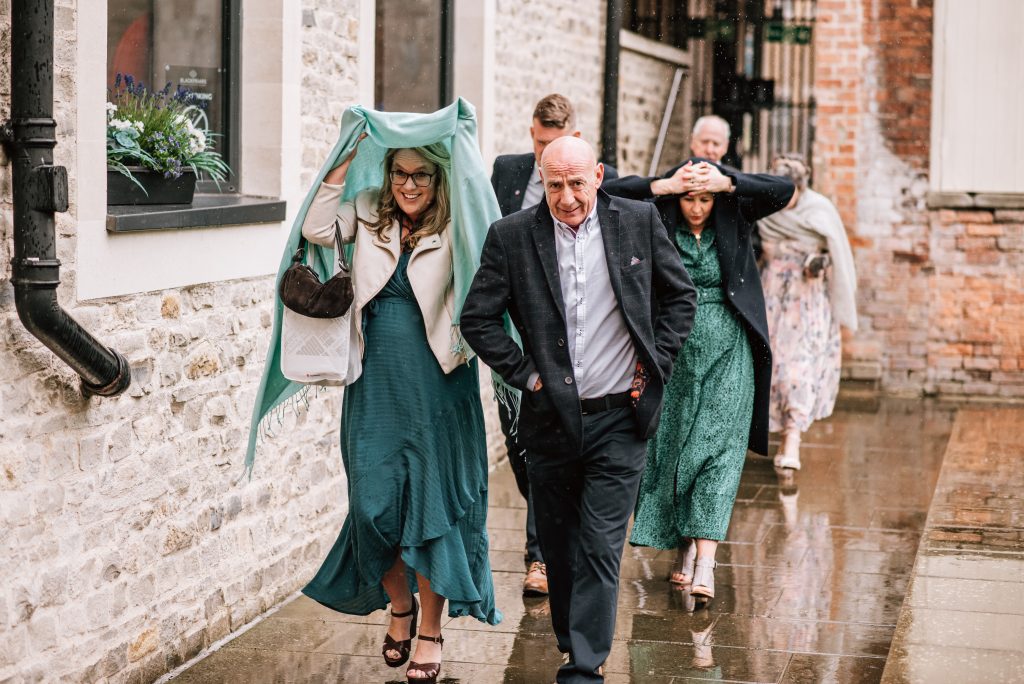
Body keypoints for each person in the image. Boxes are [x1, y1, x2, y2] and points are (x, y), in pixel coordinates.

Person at [462, 136, 697, 684]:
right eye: (553, 185)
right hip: (550, 419)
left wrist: (655, 361)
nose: (566, 197)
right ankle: (574, 639)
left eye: (576, 182)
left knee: (598, 543)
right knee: (561, 543)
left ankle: (584, 667)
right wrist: (525, 373)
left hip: (621, 415)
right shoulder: (513, 236)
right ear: (541, 182)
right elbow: (477, 318)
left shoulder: (637, 221)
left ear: (598, 175)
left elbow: (679, 295)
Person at [299, 140, 500, 684]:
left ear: (439, 179)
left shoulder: (459, 219)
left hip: (439, 383)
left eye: (421, 176)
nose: (408, 186)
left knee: (431, 509)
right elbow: (316, 227)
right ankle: (400, 607)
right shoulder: (367, 209)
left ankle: (430, 632)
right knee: (373, 507)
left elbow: (490, 258)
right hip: (374, 382)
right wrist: (343, 157)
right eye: (399, 174)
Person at [628, 158, 794, 608]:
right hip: (675, 350)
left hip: (730, 347)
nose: (697, 207)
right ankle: (683, 548)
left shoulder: (733, 212)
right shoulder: (657, 215)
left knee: (718, 450)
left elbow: (784, 189)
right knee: (675, 449)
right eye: (690, 198)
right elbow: (611, 195)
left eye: (704, 199)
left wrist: (726, 182)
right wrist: (663, 185)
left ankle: (706, 564)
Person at [757, 153, 858, 470]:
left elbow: (835, 254)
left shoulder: (819, 210)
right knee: (769, 367)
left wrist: (819, 264)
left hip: (806, 302)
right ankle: (766, 430)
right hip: (769, 298)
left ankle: (792, 439)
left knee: (798, 371)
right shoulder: (764, 210)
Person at [492, 93, 618, 218]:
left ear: (576, 137)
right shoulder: (506, 169)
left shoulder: (600, 176)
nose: (546, 152)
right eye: (541, 142)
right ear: (532, 133)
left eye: (555, 144)